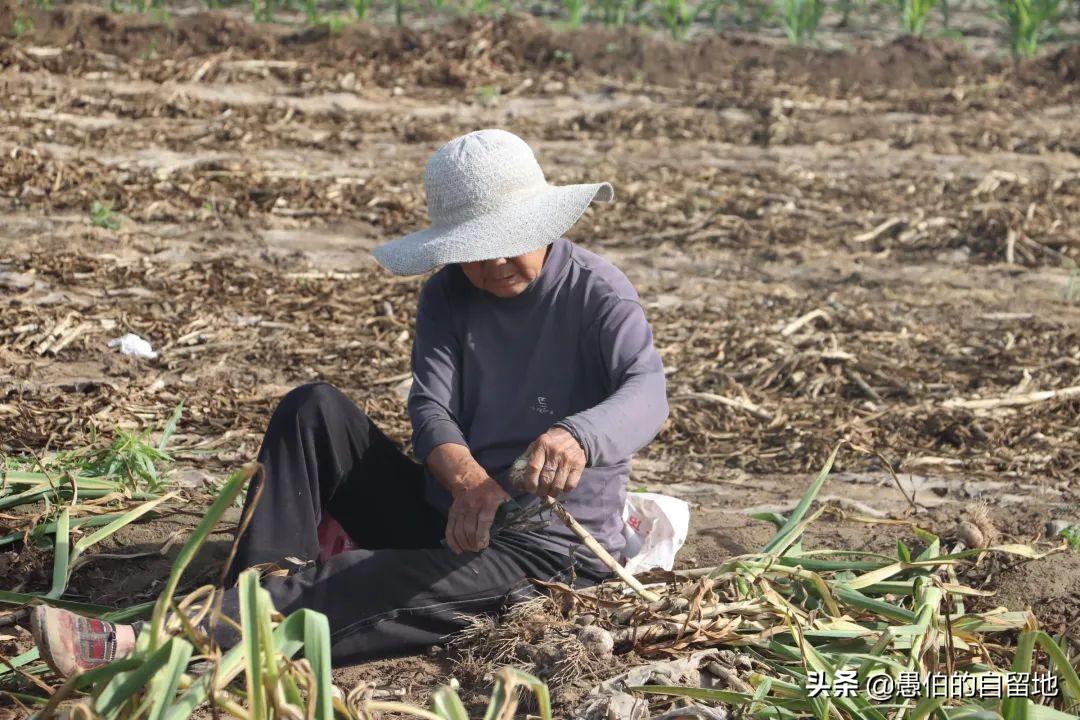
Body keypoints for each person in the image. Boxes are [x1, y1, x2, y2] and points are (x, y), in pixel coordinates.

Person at [30, 128, 669, 676]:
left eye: (512, 239)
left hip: (544, 548)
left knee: (373, 582)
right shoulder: (450, 293)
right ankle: (255, 591)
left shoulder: (596, 296)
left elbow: (648, 394)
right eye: (477, 248)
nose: (495, 262)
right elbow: (431, 410)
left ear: (546, 225)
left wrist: (577, 437)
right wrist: (469, 482)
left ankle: (162, 644)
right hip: (452, 514)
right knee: (312, 410)